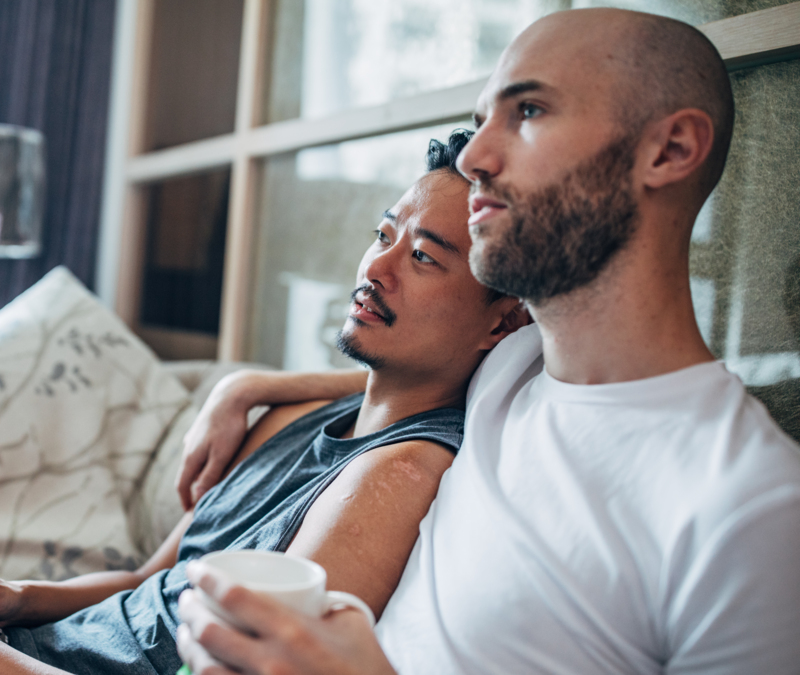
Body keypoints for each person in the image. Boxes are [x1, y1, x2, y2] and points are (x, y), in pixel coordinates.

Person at [0, 131, 527, 674]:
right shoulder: (304, 423)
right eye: (383, 234)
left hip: (0, 669)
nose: (373, 268)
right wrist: (19, 596)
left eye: (424, 257)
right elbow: (150, 582)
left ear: (499, 323)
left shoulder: (399, 476)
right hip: (25, 645)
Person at [174, 8, 800, 675]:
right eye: (480, 124)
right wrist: (249, 385)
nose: (474, 159)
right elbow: (399, 375)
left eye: (528, 111)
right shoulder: (512, 366)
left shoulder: (752, 509)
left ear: (669, 150)